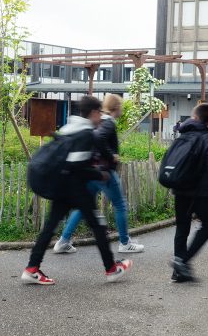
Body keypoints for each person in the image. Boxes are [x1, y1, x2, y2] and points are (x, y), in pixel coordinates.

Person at [21, 96, 132, 285]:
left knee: (49, 227)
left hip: (61, 187)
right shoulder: (86, 133)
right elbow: (78, 166)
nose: (101, 117)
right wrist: (100, 175)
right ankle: (111, 269)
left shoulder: (68, 128)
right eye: (100, 113)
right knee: (98, 226)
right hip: (75, 188)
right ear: (95, 113)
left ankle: (32, 268)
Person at [53, 94, 144, 254]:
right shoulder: (108, 123)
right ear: (116, 107)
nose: (122, 109)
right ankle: (124, 242)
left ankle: (63, 241)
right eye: (121, 106)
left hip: (93, 171)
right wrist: (111, 156)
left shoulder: (99, 121)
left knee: (84, 206)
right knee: (120, 204)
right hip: (105, 172)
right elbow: (99, 138)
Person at [170, 103, 208, 283]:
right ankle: (182, 261)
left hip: (180, 189)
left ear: (195, 117)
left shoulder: (182, 136)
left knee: (182, 228)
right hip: (199, 192)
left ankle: (179, 272)